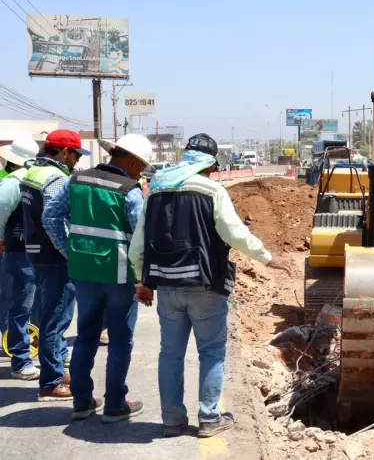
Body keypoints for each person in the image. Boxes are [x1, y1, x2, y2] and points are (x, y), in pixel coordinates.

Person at [129, 133, 293, 438]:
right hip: (205, 284)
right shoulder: (211, 190)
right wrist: (267, 258)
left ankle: (172, 420)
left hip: (166, 287)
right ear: (209, 165)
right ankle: (208, 418)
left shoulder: (155, 191)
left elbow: (137, 246)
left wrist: (143, 282)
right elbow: (234, 233)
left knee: (170, 354)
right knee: (211, 352)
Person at [43, 134, 152, 422]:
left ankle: (81, 401)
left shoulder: (75, 181)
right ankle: (115, 404)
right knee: (119, 339)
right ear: (131, 161)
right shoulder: (129, 191)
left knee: (85, 336)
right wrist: (143, 280)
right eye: (140, 167)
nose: (140, 173)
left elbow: (50, 217)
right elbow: (140, 237)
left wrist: (69, 251)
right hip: (119, 276)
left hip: (83, 272)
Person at [21, 129, 89, 401]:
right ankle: (50, 382)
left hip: (35, 254)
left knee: (49, 316)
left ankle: (57, 371)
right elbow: (53, 220)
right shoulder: (55, 179)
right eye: (74, 155)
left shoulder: (31, 174)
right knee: (55, 320)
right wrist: (68, 252)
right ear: (63, 152)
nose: (75, 161)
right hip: (54, 259)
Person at [0, 139, 41, 380]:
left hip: (20, 251)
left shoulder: (12, 182)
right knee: (28, 304)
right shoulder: (38, 179)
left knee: (21, 305)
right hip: (34, 251)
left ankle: (22, 358)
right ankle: (23, 357)